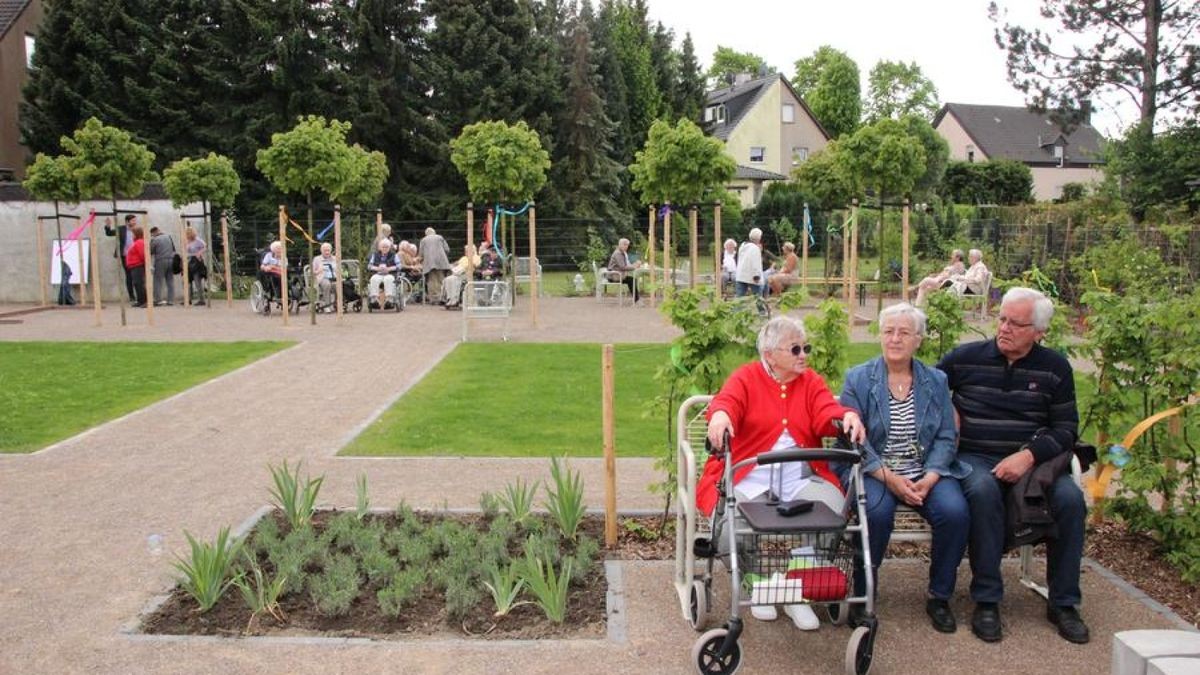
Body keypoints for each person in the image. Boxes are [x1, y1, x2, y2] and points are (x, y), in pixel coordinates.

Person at [937, 287, 1089, 644]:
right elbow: (925, 386)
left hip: (1035, 462)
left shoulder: (1055, 368)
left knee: (1070, 501)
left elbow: (1066, 429)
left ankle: (1064, 602)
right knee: (983, 490)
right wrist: (948, 409)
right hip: (975, 456)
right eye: (1001, 319)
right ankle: (987, 599)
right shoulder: (966, 358)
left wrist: (1029, 456)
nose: (1003, 328)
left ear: (1039, 332)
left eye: (1015, 324)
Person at [701, 316, 867, 630]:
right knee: (726, 529)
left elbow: (825, 411)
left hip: (800, 474)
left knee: (833, 510)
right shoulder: (747, 377)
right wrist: (720, 416)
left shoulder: (810, 381)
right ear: (770, 354)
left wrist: (846, 416)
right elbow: (727, 402)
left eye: (806, 347)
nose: (803, 354)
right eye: (795, 348)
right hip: (750, 473)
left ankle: (797, 589)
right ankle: (757, 584)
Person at [839, 303, 970, 633]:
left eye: (904, 332)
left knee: (955, 512)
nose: (895, 338)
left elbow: (945, 433)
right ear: (880, 336)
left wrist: (932, 476)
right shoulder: (858, 378)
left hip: (924, 469)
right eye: (888, 331)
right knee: (877, 513)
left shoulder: (935, 380)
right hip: (873, 469)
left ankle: (939, 596)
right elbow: (855, 441)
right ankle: (864, 592)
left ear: (918, 340)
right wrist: (888, 477)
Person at [104, 214, 138, 302]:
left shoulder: (137, 230)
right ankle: (132, 296)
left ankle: (140, 295)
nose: (135, 222)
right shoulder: (121, 229)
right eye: (133, 220)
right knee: (129, 276)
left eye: (135, 220)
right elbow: (109, 233)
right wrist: (108, 226)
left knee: (137, 276)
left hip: (136, 256)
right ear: (127, 221)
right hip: (125, 256)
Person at [418, 227, 452, 304]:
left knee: (431, 281)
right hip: (441, 261)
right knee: (442, 279)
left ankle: (434, 299)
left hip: (429, 263)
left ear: (426, 233)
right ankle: (443, 297)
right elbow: (447, 249)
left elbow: (421, 253)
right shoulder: (440, 237)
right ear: (434, 232)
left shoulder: (423, 240)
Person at [442, 243, 480, 310]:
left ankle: (455, 299)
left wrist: (466, 266)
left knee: (454, 280)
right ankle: (449, 298)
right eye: (465, 251)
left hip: (468, 274)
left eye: (467, 251)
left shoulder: (476, 257)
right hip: (458, 274)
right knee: (448, 279)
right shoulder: (463, 258)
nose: (465, 252)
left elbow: (475, 265)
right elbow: (457, 264)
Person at [149, 226, 177, 307]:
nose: (152, 236)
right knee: (170, 281)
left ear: (154, 232)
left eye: (152, 234)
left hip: (160, 260)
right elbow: (173, 249)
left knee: (158, 281)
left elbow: (150, 251)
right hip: (171, 260)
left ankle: (158, 300)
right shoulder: (169, 237)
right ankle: (170, 300)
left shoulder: (155, 240)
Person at [367, 239, 400, 309]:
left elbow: (399, 266)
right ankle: (374, 300)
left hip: (389, 273)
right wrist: (377, 268)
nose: (384, 248)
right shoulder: (375, 255)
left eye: (386, 247)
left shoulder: (394, 255)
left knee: (389, 279)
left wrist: (389, 268)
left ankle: (389, 300)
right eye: (383, 247)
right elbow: (369, 266)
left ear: (389, 248)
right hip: (378, 273)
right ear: (380, 247)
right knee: (373, 279)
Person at [606, 238, 641, 303]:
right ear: (620, 245)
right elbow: (623, 267)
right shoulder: (618, 253)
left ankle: (636, 299)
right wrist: (634, 267)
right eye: (624, 245)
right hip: (613, 276)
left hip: (617, 275)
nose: (626, 247)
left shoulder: (621, 253)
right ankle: (637, 300)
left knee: (632, 280)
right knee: (632, 280)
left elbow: (625, 265)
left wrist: (634, 265)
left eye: (627, 245)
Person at [734, 228, 764, 298]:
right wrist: (756, 276)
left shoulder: (742, 246)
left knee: (739, 299)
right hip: (752, 276)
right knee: (758, 297)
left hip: (741, 275)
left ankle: (738, 309)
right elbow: (755, 263)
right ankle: (762, 309)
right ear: (759, 238)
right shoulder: (755, 248)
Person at [312, 242, 339, 311]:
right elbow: (312, 272)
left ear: (331, 251)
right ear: (321, 251)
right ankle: (327, 305)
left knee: (339, 285)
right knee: (327, 284)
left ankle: (337, 303)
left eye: (328, 250)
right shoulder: (317, 259)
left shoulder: (335, 259)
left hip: (334, 277)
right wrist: (318, 271)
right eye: (325, 250)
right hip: (322, 278)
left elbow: (339, 270)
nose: (327, 252)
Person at [184, 226, 207, 305]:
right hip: (190, 262)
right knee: (188, 281)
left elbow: (205, 247)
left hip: (197, 262)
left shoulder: (198, 240)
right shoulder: (188, 241)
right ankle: (188, 299)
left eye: (188, 234)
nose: (187, 235)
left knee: (197, 282)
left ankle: (201, 299)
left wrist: (199, 253)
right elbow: (187, 250)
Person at [125, 225, 147, 307]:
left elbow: (142, 254)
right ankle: (140, 300)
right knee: (137, 284)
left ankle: (145, 301)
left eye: (133, 234)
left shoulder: (139, 242)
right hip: (134, 266)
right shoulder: (137, 242)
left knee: (139, 283)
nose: (132, 235)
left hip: (138, 266)